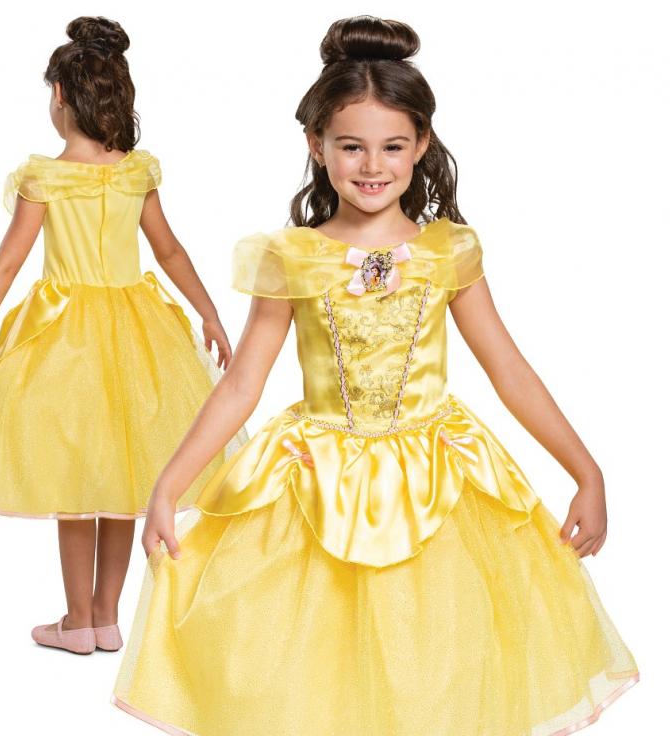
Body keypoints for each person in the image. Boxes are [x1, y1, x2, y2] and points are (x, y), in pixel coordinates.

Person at [112, 15, 639, 735]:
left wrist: (587, 471)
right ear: (316, 144)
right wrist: (168, 487)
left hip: (436, 482)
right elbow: (241, 384)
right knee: (312, 668)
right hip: (316, 482)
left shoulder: (448, 253)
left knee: (434, 664)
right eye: (351, 145)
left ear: (421, 144)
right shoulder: (294, 257)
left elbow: (509, 369)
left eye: (393, 146)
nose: (372, 165)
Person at [0, 16, 245, 656]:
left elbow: (5, 268)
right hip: (138, 331)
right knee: (124, 479)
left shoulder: (45, 177)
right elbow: (170, 252)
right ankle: (106, 619)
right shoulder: (135, 172)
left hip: (65, 339)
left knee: (73, 482)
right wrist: (208, 312)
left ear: (60, 95)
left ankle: (76, 622)